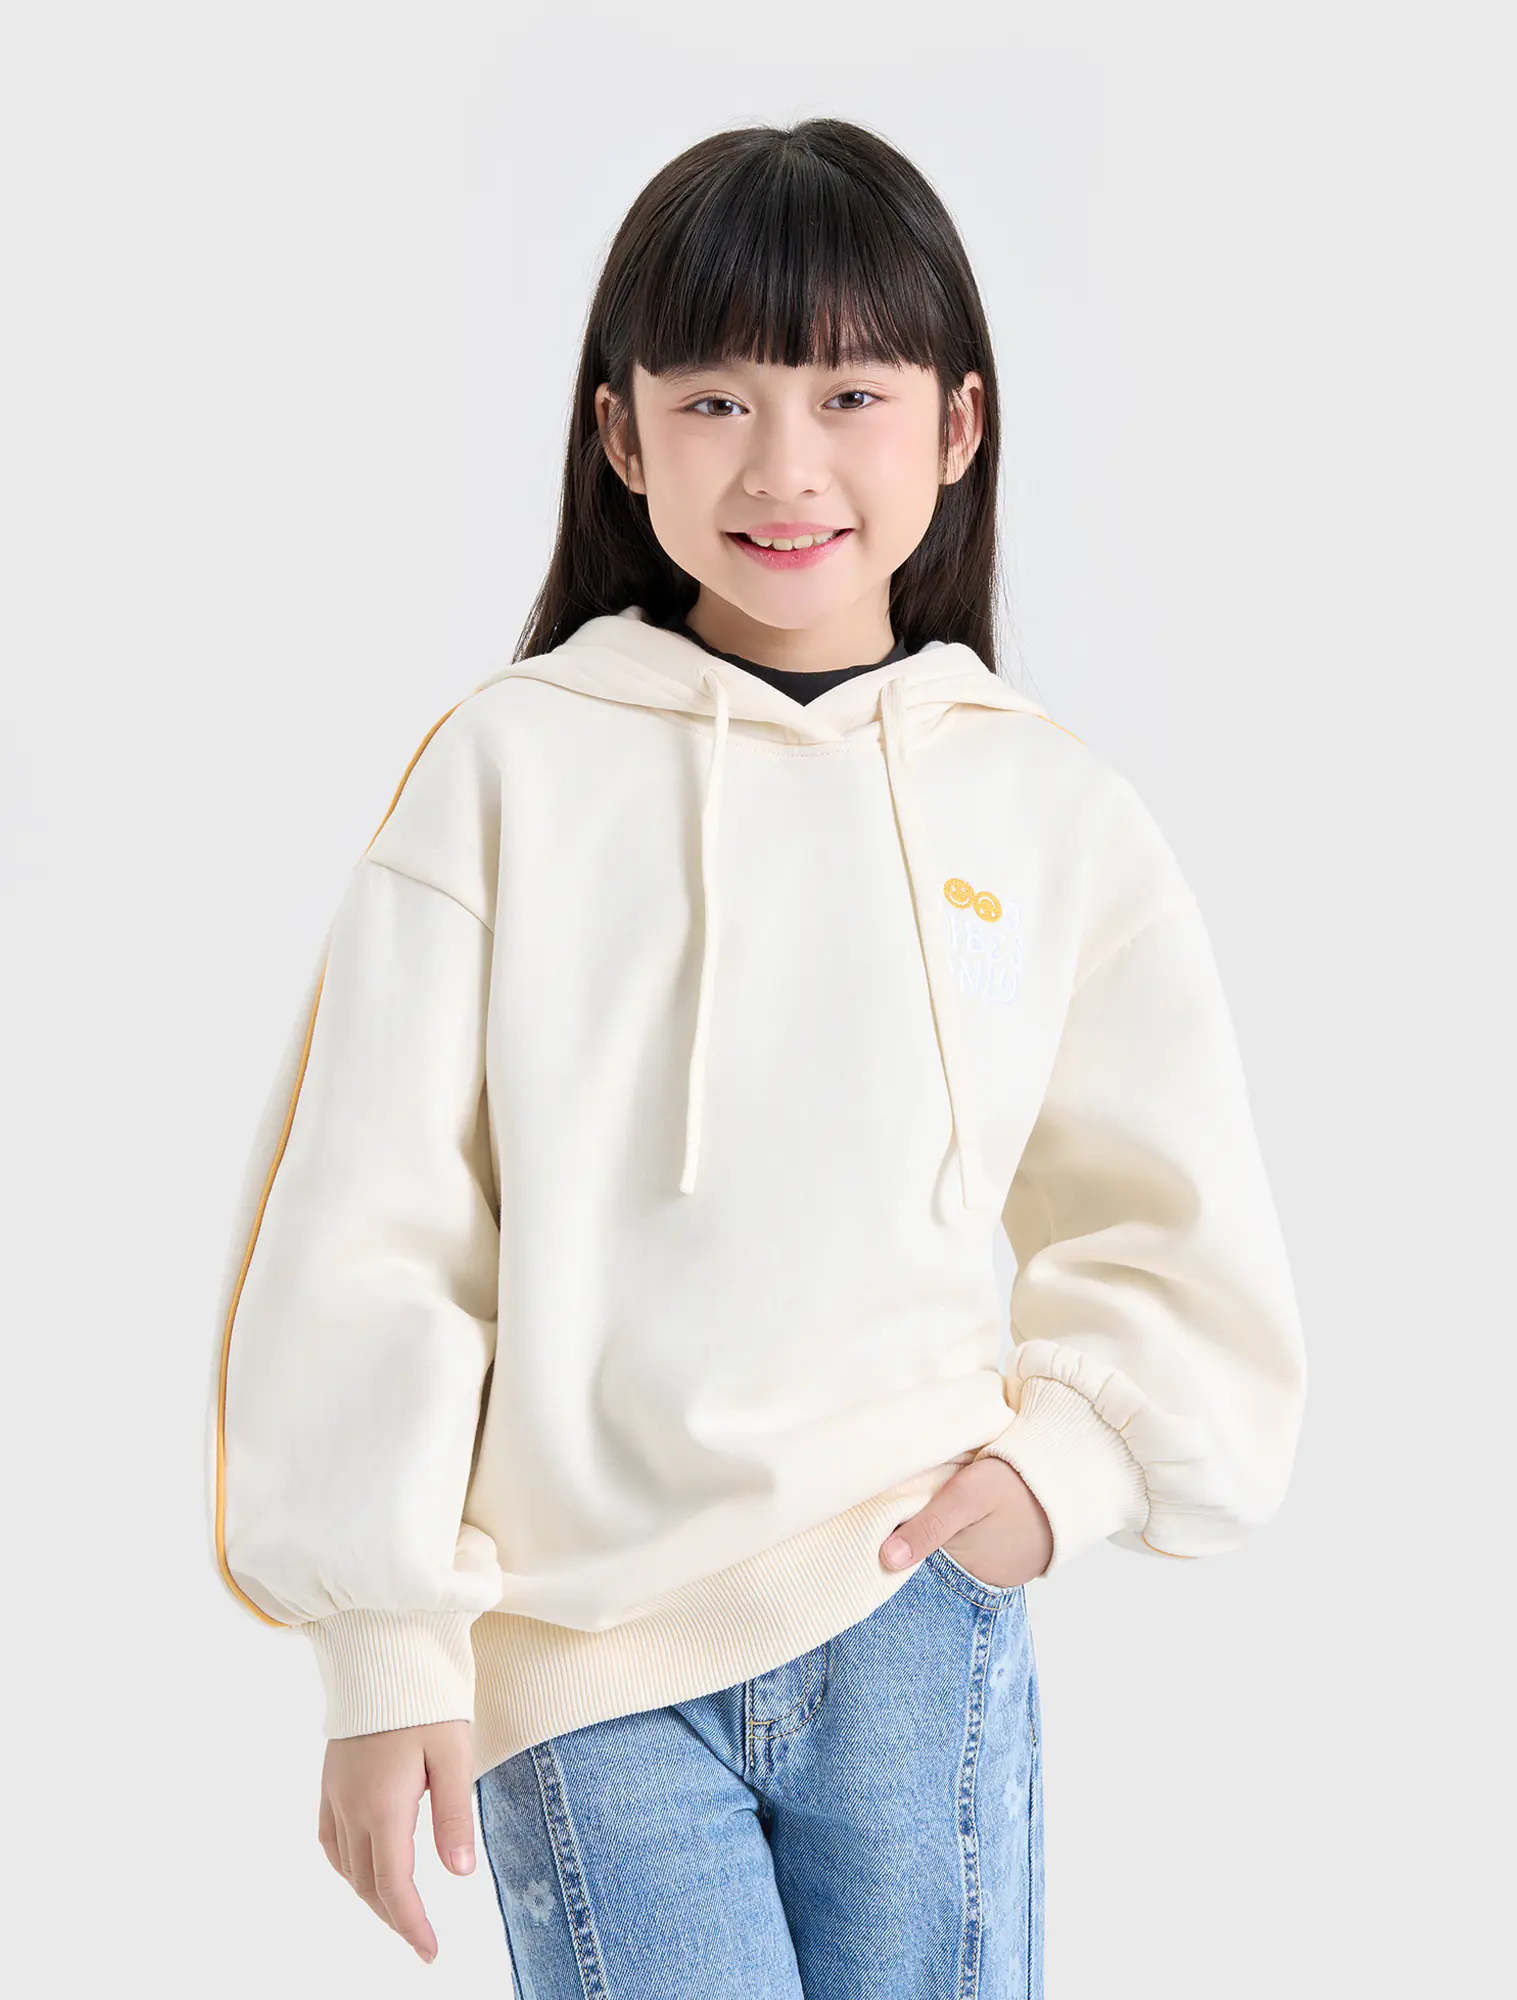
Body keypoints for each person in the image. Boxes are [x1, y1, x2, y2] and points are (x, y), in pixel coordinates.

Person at [203, 116, 1307, 1996]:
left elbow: (1169, 1209)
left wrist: (1072, 1466)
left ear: (957, 426)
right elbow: (380, 1222)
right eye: (714, 400)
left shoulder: (1048, 808)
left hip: (913, 1609)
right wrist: (383, 1646)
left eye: (849, 395)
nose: (785, 466)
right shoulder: (509, 771)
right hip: (582, 1657)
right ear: (620, 435)